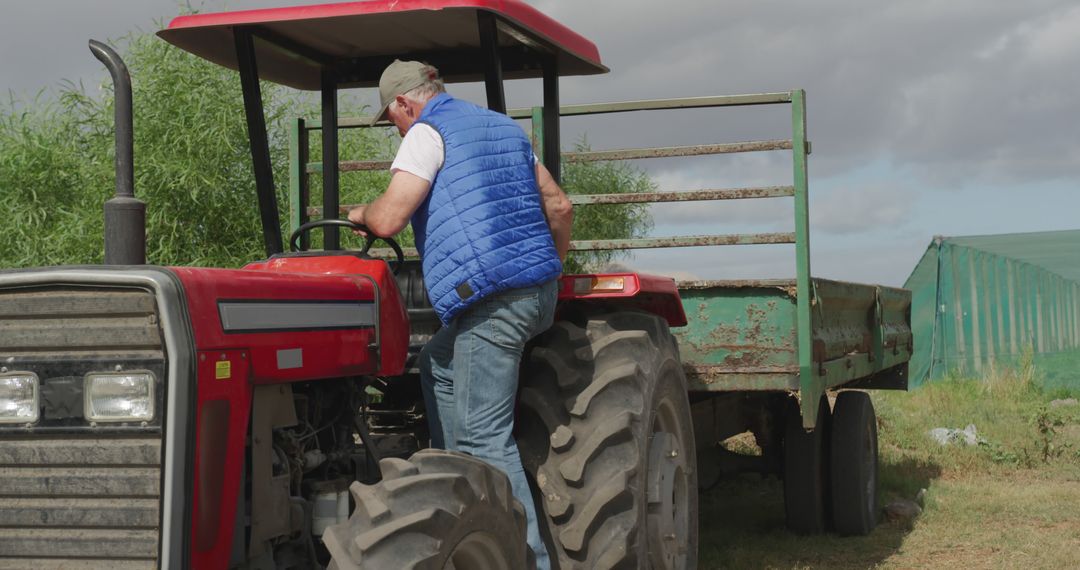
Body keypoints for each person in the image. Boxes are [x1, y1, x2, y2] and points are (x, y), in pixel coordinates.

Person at [347, 59, 572, 570]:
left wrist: (359, 214)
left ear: (405, 103)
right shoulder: (501, 127)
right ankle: (453, 497)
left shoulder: (427, 132)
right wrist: (549, 269)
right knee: (438, 364)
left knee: (483, 437)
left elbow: (389, 217)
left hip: (493, 303)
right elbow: (558, 206)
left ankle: (523, 558)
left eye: (392, 119)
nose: (396, 130)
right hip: (536, 294)